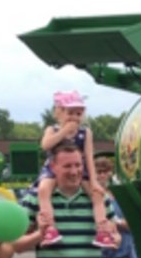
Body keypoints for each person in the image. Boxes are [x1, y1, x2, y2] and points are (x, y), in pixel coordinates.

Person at [36, 91, 116, 249]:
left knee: (97, 195)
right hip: (53, 169)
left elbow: (89, 156)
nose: (74, 117)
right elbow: (45, 145)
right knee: (44, 189)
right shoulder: (52, 129)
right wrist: (64, 131)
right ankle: (50, 228)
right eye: (70, 113)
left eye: (78, 114)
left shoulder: (85, 133)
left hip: (81, 170)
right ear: (59, 112)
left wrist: (93, 181)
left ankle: (102, 231)